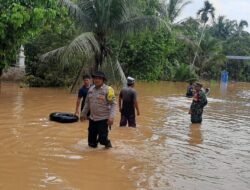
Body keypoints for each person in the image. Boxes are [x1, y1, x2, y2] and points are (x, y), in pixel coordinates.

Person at [80, 71, 116, 148]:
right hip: (92, 119)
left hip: (103, 119)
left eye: (99, 78)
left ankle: (108, 144)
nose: (97, 80)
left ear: (103, 80)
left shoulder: (108, 90)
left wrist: (111, 117)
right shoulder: (90, 89)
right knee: (91, 143)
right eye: (95, 78)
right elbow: (87, 103)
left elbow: (113, 104)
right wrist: (83, 114)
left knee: (102, 139)